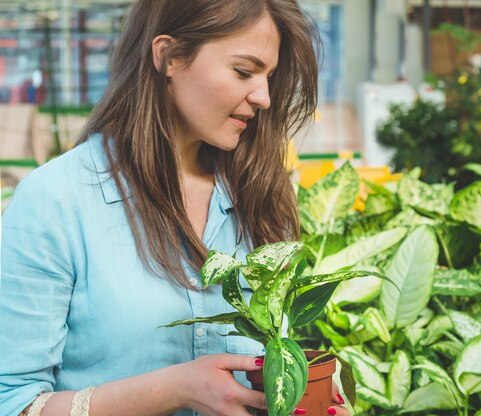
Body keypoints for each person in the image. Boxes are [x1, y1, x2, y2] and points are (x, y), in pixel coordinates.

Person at [0, 1, 349, 415]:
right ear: (169, 55)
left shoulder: (257, 196)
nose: (264, 98)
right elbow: (14, 403)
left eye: (269, 77)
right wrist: (175, 389)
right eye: (243, 71)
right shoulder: (57, 200)